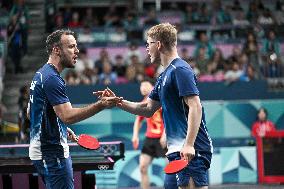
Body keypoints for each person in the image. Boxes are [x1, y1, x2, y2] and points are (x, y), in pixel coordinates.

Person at [95, 23, 213, 189]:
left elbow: (196, 107)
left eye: (148, 44)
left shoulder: (180, 69)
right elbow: (147, 109)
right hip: (175, 151)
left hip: (190, 151)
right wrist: (117, 102)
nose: (146, 49)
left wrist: (189, 145)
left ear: (158, 45)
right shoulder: (164, 76)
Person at [27, 29, 122, 189]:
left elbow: (32, 113)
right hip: (53, 154)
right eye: (71, 47)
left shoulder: (41, 74)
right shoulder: (52, 79)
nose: (77, 51)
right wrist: (101, 104)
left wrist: (60, 128)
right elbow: (68, 116)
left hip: (44, 152)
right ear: (56, 50)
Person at [132, 80, 166, 189]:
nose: (143, 87)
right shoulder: (143, 102)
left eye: (146, 85)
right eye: (141, 86)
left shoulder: (161, 99)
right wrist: (135, 135)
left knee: (173, 168)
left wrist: (165, 134)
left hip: (164, 139)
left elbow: (169, 118)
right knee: (143, 167)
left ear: (153, 86)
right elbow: (138, 120)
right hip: (150, 139)